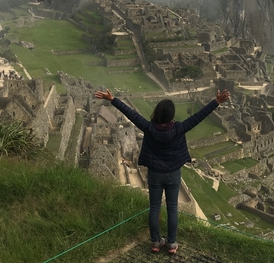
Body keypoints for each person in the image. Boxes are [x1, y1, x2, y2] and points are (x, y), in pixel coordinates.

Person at [94, 88, 230, 254]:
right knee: (172, 208)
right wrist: (216, 102)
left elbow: (131, 114)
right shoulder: (179, 128)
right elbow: (198, 117)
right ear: (172, 116)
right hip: (173, 174)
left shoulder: (149, 128)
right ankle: (172, 244)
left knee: (154, 208)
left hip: (155, 174)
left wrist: (112, 99)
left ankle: (156, 242)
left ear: (157, 113)